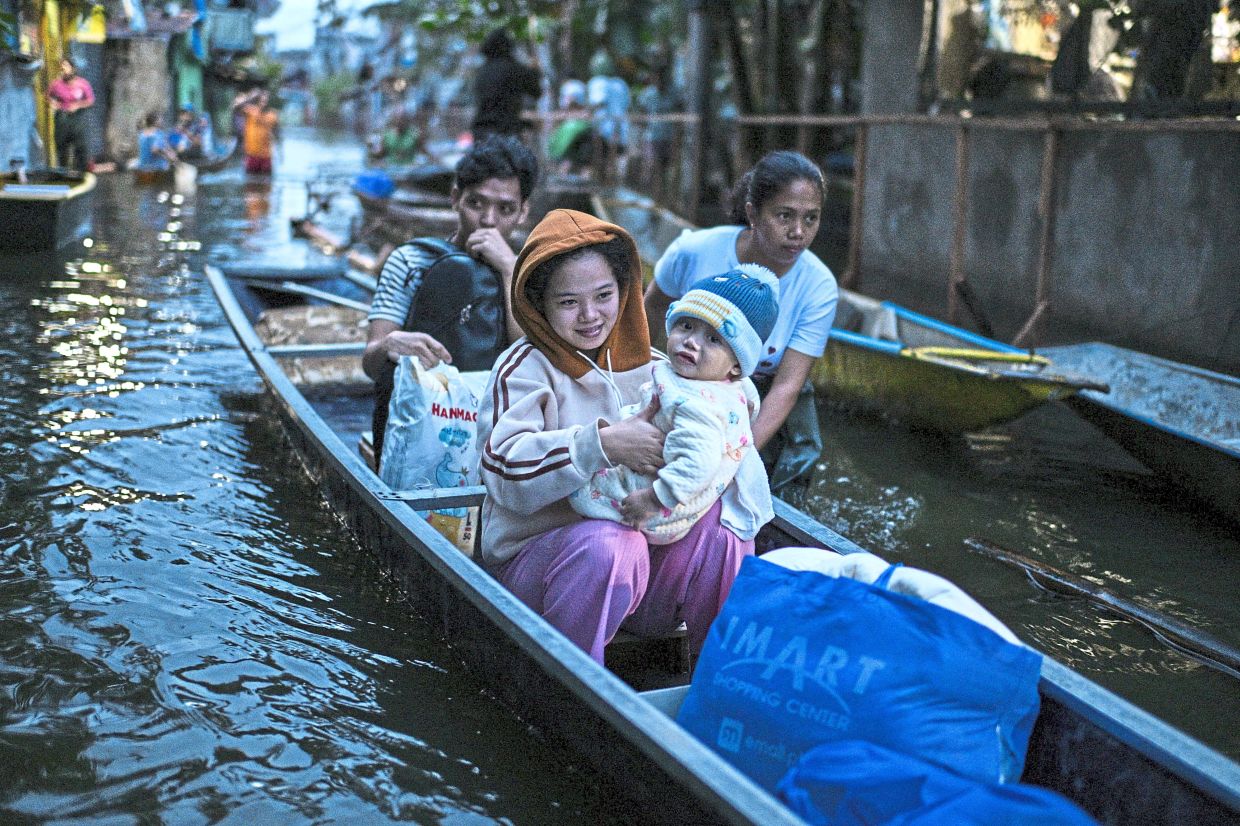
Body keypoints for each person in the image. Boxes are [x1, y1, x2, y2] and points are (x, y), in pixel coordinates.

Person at [477, 209, 766, 665]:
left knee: (726, 529)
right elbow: (500, 470)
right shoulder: (523, 368)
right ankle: (571, 688)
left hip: (641, 568)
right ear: (539, 304)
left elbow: (716, 450)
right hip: (541, 571)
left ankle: (718, 677)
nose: (590, 316)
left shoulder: (659, 367)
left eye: (604, 295)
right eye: (568, 302)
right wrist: (604, 444)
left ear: (625, 291)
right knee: (612, 544)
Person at [643, 150, 838, 490]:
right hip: (688, 369)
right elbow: (648, 313)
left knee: (782, 478)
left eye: (811, 219)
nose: (798, 232)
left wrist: (733, 457)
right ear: (753, 213)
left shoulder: (818, 286)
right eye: (784, 216)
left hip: (764, 386)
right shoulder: (695, 251)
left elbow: (788, 385)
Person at [363, 134, 539, 469]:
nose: (488, 220)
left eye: (505, 209)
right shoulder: (410, 261)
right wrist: (390, 344)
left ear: (523, 213)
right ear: (455, 198)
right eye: (476, 203)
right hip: (414, 431)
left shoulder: (531, 276)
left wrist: (508, 268)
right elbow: (370, 363)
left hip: (494, 437)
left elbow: (528, 360)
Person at [570, 265, 778, 545]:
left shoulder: (694, 403)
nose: (692, 342)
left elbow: (698, 462)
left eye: (714, 339)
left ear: (737, 365)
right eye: (687, 326)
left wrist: (653, 498)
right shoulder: (735, 388)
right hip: (673, 487)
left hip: (655, 499)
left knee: (578, 488)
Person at [470, 28, 542, 142]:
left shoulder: (482, 71)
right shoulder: (514, 69)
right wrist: (535, 72)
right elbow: (536, 92)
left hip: (480, 133)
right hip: (505, 133)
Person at [47, 57, 95, 171]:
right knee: (62, 149)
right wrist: (53, 103)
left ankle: (81, 173)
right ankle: (63, 173)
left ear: (72, 69)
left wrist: (78, 105)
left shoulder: (82, 84)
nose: (63, 70)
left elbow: (90, 100)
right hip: (62, 119)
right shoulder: (56, 84)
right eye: (61, 68)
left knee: (80, 147)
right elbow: (48, 96)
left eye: (66, 67)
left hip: (78, 120)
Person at [234, 89, 279, 175]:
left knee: (266, 183)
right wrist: (250, 97)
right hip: (252, 154)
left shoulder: (273, 115)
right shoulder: (250, 111)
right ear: (258, 101)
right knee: (250, 183)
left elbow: (277, 133)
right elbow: (236, 108)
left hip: (266, 156)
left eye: (266, 101)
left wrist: (280, 150)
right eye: (262, 101)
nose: (264, 103)